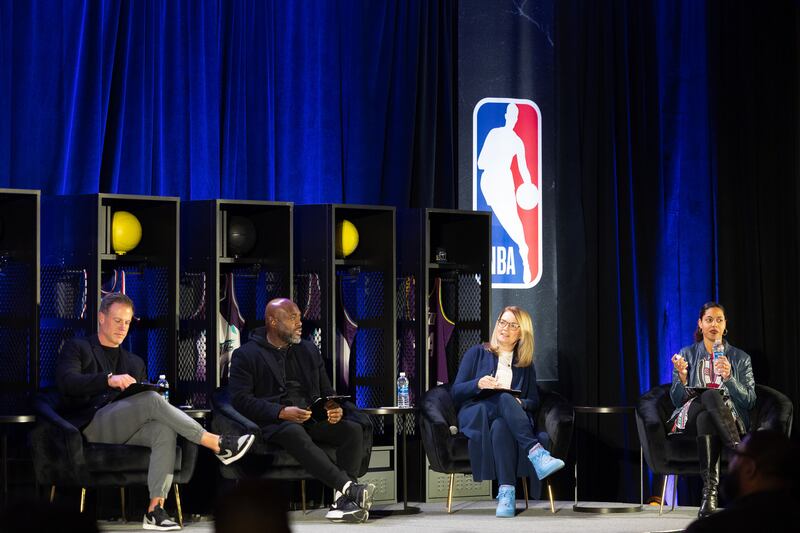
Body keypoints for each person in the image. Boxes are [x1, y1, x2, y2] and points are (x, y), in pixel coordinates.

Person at [56, 292, 255, 531]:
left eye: (127, 322)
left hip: (126, 428)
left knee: (163, 429)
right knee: (150, 399)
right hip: (90, 426)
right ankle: (216, 443)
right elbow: (68, 382)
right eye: (117, 321)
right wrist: (108, 380)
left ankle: (154, 510)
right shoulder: (78, 347)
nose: (123, 328)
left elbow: (140, 403)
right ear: (101, 318)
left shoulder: (134, 362)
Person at [228, 298, 374, 524]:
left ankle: (341, 502)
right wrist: (281, 411)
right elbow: (240, 400)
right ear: (273, 322)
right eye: (292, 317)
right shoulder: (246, 354)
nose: (299, 322)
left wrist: (333, 408)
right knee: (293, 432)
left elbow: (327, 391)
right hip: (273, 422)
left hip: (309, 417)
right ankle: (349, 489)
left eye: (299, 316)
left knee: (352, 430)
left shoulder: (308, 350)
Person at [451, 306, 565, 518]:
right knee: (503, 398)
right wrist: (479, 383)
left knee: (502, 424)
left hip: (505, 419)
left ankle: (507, 494)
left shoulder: (525, 364)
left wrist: (519, 404)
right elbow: (455, 392)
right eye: (502, 322)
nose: (505, 328)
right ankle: (537, 453)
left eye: (512, 325)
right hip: (477, 414)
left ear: (521, 333)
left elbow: (534, 401)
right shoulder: (476, 353)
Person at [668, 301, 756, 518]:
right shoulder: (686, 354)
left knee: (707, 417)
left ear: (725, 326)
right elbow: (677, 400)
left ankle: (709, 494)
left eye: (719, 320)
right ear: (700, 324)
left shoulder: (740, 358)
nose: (714, 324)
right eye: (709, 320)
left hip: (726, 416)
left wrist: (729, 378)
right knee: (708, 395)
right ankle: (739, 451)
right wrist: (682, 377)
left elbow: (749, 401)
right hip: (689, 416)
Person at [684, 430, 798, 532]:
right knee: (704, 417)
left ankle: (710, 490)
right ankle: (709, 490)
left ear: (749, 468)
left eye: (735, 455)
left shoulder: (707, 528)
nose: (730, 463)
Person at [477, 102, 536, 283]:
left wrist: (528, 185)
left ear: (516, 119)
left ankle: (524, 253)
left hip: (504, 182)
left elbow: (523, 167)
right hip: (489, 182)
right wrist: (494, 162)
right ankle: (484, 264)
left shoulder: (518, 141)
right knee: (489, 223)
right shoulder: (494, 134)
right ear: (506, 116)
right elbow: (480, 163)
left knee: (511, 221)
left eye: (515, 115)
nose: (512, 118)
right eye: (511, 114)